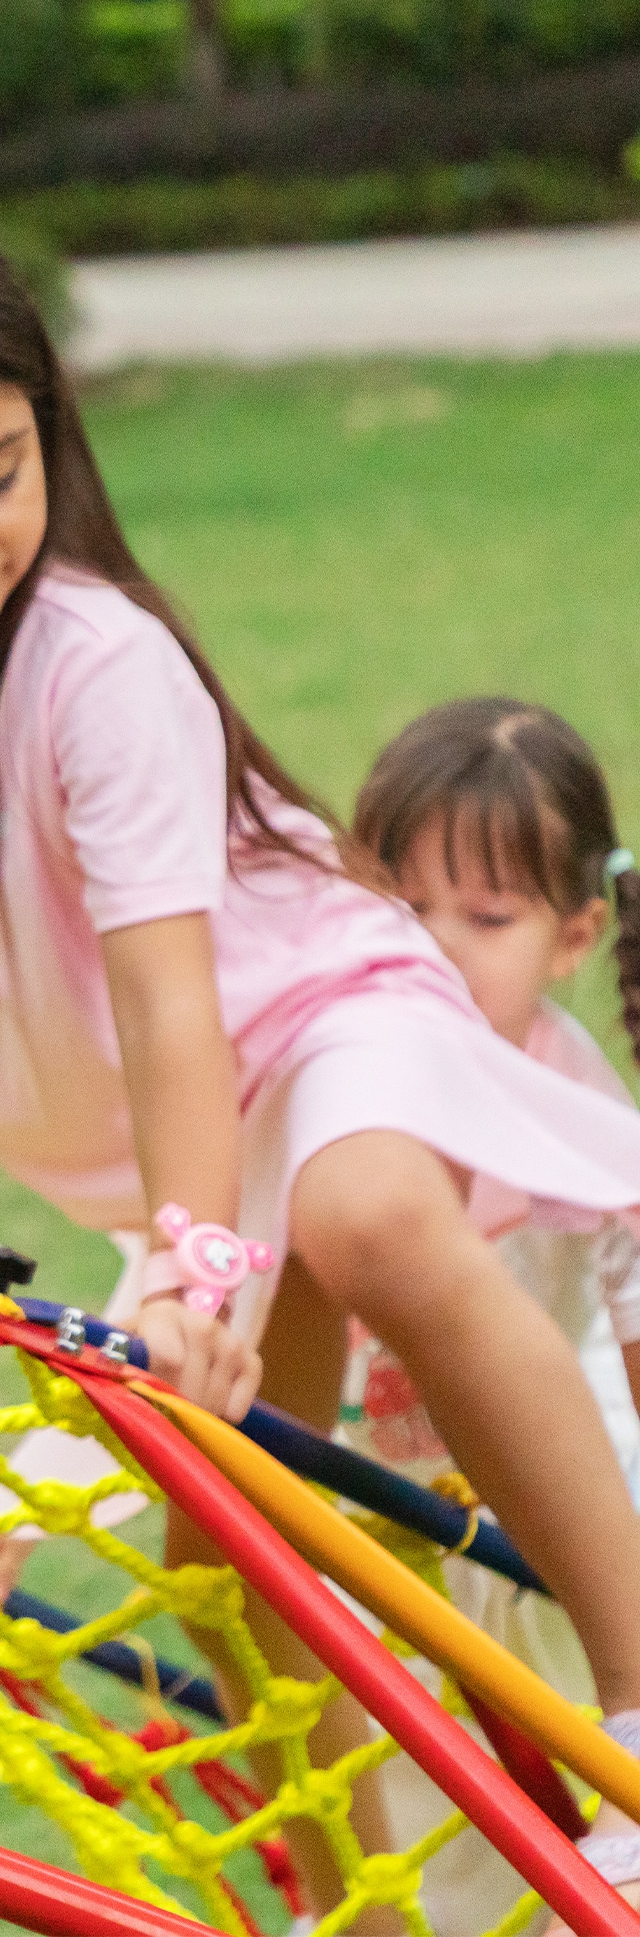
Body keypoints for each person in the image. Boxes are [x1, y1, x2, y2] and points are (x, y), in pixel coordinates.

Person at [0, 198, 640, 1920]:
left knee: (366, 1213)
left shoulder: (95, 657)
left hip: (314, 1030)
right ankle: (344, 1889)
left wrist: (197, 1264)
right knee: (235, 1526)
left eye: (1, 473)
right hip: (182, 1140)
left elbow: (171, 1001)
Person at [344, 700, 640, 1932]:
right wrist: (17, 1496)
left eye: (486, 916)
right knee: (432, 1814)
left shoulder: (568, 1095)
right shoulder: (344, 1066)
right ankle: (355, 1902)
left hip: (555, 1483)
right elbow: (185, 1265)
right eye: (403, 907)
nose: (436, 947)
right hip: (382, 1505)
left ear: (572, 933)